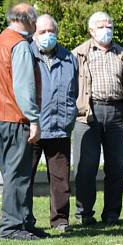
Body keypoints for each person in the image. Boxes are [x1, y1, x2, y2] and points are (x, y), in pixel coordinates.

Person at [0, 3, 43, 240]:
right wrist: (34, 119)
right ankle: (12, 227)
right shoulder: (20, 46)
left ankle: (25, 222)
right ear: (27, 20)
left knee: (12, 173)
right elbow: (24, 87)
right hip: (15, 117)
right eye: (35, 20)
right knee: (18, 174)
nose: (36, 25)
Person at [72, 11, 123, 226]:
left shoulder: (122, 54)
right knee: (86, 166)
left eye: (109, 26)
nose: (106, 30)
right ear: (91, 30)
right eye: (101, 26)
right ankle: (84, 213)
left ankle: (112, 213)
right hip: (88, 114)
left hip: (117, 113)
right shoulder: (79, 54)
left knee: (116, 166)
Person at [27, 14, 78, 233]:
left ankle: (60, 220)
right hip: (32, 127)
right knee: (25, 176)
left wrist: (70, 115)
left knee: (60, 179)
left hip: (59, 127)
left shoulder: (69, 58)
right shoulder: (26, 54)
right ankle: (24, 218)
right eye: (42, 32)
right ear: (34, 34)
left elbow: (74, 90)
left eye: (51, 31)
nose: (48, 36)